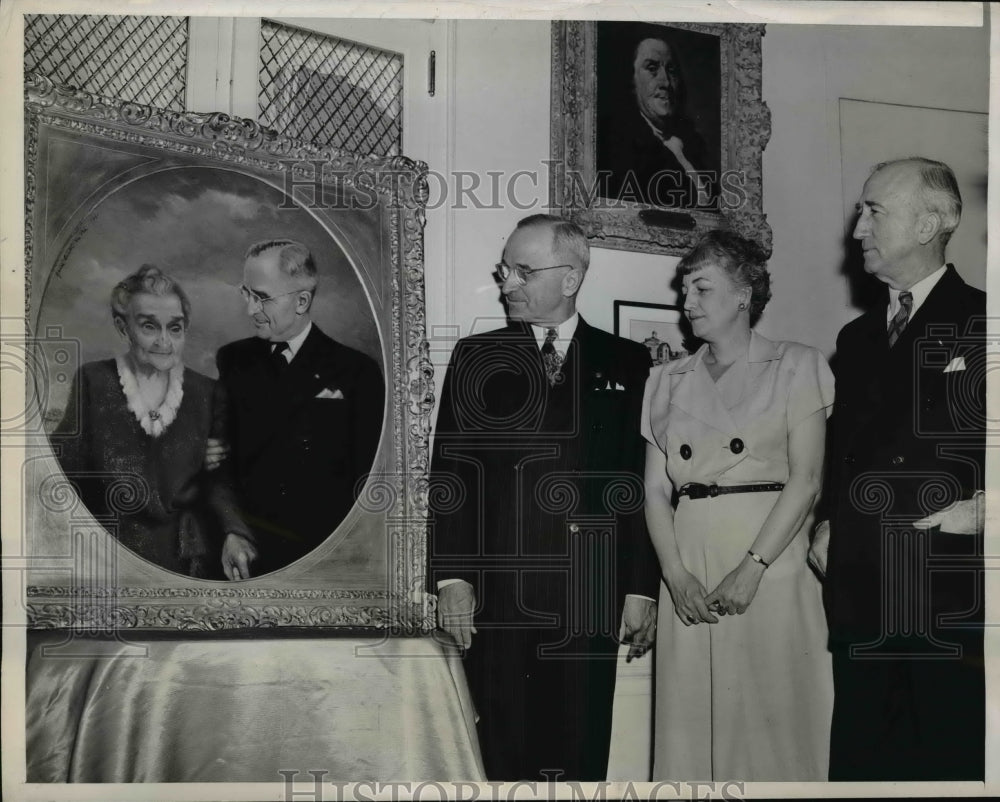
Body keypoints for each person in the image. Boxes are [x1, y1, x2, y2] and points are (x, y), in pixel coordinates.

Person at [429, 214, 660, 780]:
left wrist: (639, 587)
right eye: (505, 270)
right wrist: (452, 579)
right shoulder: (475, 357)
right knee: (499, 757)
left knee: (580, 753)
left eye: (523, 270)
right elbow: (450, 477)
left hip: (591, 593)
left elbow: (639, 483)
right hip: (498, 599)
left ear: (571, 278)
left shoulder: (628, 363)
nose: (508, 282)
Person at [811, 158, 985, 780]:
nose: (857, 228)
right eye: (862, 210)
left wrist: (989, 509)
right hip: (861, 590)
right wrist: (827, 522)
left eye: (874, 210)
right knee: (862, 766)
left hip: (947, 596)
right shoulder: (856, 338)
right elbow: (844, 449)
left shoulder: (985, 323)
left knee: (943, 763)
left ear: (930, 223)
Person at [642, 230, 834, 780]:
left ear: (744, 294)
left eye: (702, 288)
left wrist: (753, 569)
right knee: (693, 723)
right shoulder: (664, 380)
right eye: (684, 289)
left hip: (769, 556)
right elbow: (656, 490)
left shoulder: (797, 364)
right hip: (690, 559)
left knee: (774, 721)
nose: (687, 302)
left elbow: (807, 480)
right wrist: (674, 574)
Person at [53, 265, 251, 579]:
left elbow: (219, 482)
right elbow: (63, 473)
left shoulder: (207, 392)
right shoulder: (94, 381)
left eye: (175, 328)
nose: (164, 341)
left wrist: (234, 531)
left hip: (187, 555)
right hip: (110, 550)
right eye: (149, 326)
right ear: (123, 327)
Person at [217, 239, 384, 578]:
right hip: (248, 555)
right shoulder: (234, 360)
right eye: (245, 294)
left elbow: (370, 483)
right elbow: (221, 462)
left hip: (326, 558)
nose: (250, 310)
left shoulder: (356, 372)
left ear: (302, 301)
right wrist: (232, 530)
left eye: (261, 297)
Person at [599, 36, 718, 208]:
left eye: (671, 70)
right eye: (652, 68)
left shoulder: (693, 147)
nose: (666, 82)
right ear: (632, 79)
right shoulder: (615, 146)